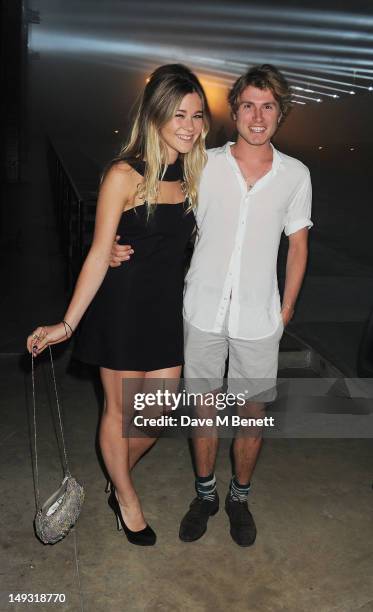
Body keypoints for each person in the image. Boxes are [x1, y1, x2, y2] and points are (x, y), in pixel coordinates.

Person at [111, 64, 313, 547]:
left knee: (250, 417)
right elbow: (154, 206)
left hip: (258, 318)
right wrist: (117, 244)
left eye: (268, 106)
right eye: (248, 105)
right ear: (234, 111)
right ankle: (205, 495)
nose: (258, 116)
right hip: (200, 312)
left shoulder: (296, 176)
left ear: (280, 114)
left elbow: (299, 247)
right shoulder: (204, 162)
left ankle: (239, 497)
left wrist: (284, 311)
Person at [26, 64, 211, 546]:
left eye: (196, 115)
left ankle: (115, 474)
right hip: (122, 308)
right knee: (120, 411)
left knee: (158, 412)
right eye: (178, 115)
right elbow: (96, 253)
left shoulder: (194, 173)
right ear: (155, 117)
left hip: (165, 311)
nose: (188, 126)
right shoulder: (123, 174)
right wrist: (66, 325)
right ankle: (127, 501)